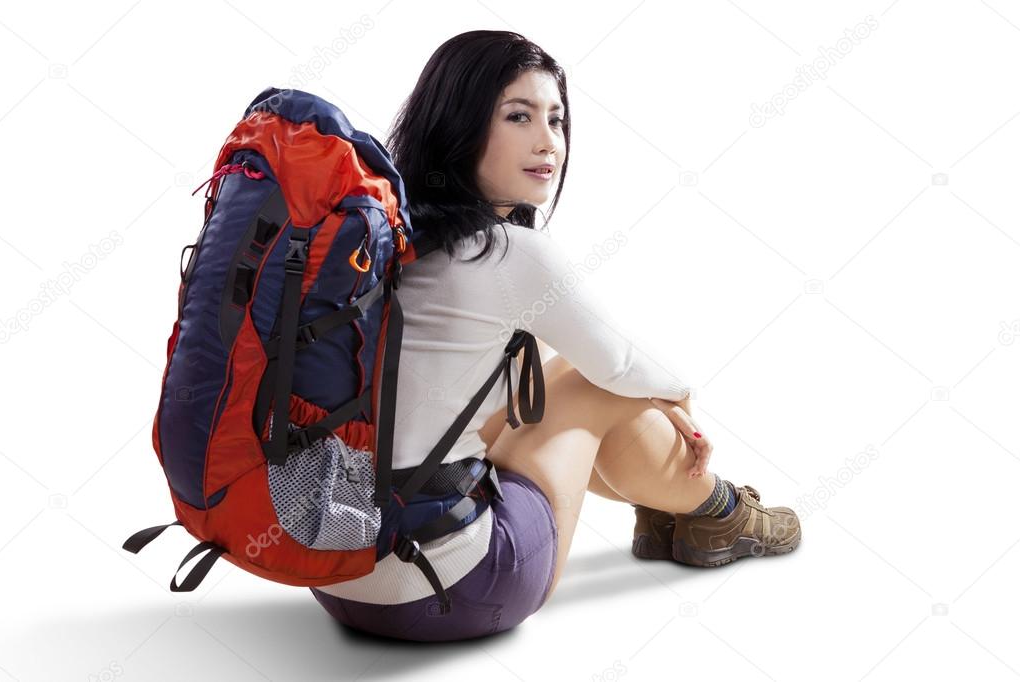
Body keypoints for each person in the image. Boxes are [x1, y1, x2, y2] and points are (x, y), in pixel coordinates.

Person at [310, 29, 801, 642]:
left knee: (545, 362)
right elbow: (618, 364)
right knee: (597, 383)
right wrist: (679, 398)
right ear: (460, 125)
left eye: (557, 119)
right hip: (461, 590)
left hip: (339, 579)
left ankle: (672, 504)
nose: (549, 144)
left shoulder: (388, 239)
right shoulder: (508, 252)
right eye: (519, 117)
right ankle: (717, 511)